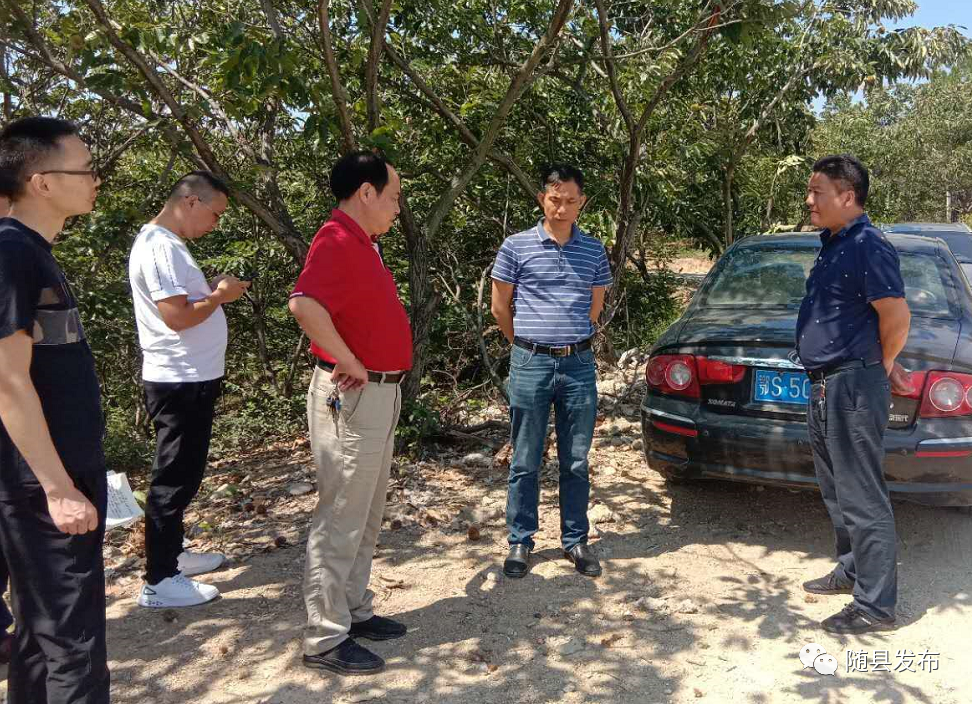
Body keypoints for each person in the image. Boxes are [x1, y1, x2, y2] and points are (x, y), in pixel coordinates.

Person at [289, 151, 412, 675]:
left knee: (365, 510)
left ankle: (353, 609)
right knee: (342, 513)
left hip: (379, 395)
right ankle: (324, 636)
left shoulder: (364, 244)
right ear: (366, 192)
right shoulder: (336, 239)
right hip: (355, 396)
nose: (397, 207)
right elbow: (304, 304)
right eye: (393, 196)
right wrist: (348, 358)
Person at [0, 116, 110, 703]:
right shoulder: (12, 252)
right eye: (85, 169)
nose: (96, 180)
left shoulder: (31, 252)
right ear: (42, 182)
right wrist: (58, 488)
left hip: (53, 473)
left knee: (43, 636)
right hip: (43, 482)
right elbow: (7, 380)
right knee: (73, 643)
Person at [797, 154, 911, 634]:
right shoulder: (835, 243)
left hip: (852, 387)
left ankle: (875, 605)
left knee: (862, 495)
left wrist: (881, 363)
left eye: (817, 192)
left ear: (847, 196)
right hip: (828, 383)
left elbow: (896, 317)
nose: (809, 200)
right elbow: (854, 316)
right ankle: (852, 569)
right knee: (837, 490)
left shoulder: (868, 245)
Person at [128, 172, 250, 608]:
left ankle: (174, 555)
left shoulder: (167, 245)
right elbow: (176, 317)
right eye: (216, 214)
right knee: (174, 477)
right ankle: (160, 580)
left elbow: (180, 306)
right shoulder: (160, 246)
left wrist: (212, 293)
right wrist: (220, 295)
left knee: (185, 472)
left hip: (190, 376)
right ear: (192, 201)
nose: (215, 224)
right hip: (179, 379)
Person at [490, 164, 613, 580]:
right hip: (530, 362)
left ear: (582, 202)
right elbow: (500, 308)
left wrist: (566, 342)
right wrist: (527, 345)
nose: (562, 208)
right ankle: (520, 541)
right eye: (555, 199)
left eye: (571, 201)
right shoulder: (515, 246)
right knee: (525, 458)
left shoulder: (593, 250)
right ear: (543, 198)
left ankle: (575, 539)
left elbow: (595, 307)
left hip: (578, 364)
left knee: (575, 459)